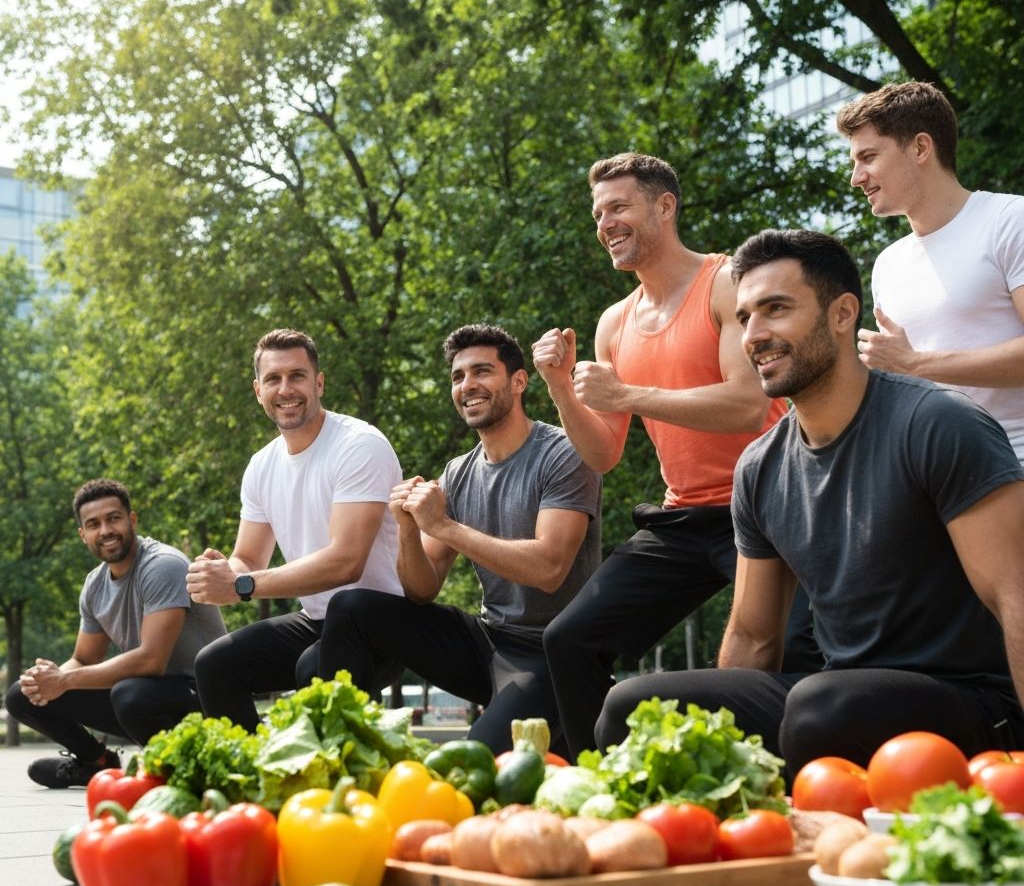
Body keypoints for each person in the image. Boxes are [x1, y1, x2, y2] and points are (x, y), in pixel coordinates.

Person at [595, 229, 1024, 773]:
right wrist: (717, 751)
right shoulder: (760, 467)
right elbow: (753, 637)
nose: (755, 334)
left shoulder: (939, 423)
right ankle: (728, 846)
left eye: (776, 309)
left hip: (972, 703)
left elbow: (1018, 597)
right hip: (838, 696)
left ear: (843, 314)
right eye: (746, 316)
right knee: (632, 710)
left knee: (820, 707)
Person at [531, 152, 817, 760]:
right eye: (598, 212)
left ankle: (780, 789)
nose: (605, 222)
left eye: (618, 207)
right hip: (685, 517)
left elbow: (746, 404)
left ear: (665, 205)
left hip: (770, 503)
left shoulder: (726, 283)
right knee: (570, 640)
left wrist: (628, 393)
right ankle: (606, 783)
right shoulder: (615, 323)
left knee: (780, 659)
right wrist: (559, 386)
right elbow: (604, 453)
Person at [319, 323, 602, 754]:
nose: (467, 385)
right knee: (352, 607)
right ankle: (340, 753)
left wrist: (446, 526)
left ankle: (560, 728)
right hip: (488, 641)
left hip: (549, 651)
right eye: (458, 376)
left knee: (474, 760)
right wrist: (409, 530)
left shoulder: (564, 452)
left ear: (519, 381)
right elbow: (421, 589)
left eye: (482, 372)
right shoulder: (458, 471)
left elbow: (548, 568)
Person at [187, 328, 402, 731]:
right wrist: (223, 571)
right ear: (258, 390)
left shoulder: (359, 444)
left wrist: (243, 586)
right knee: (214, 666)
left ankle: (338, 780)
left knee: (313, 664)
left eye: (297, 376)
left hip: (381, 622)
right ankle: (251, 777)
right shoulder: (262, 465)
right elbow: (248, 557)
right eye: (273, 379)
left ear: (318, 382)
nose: (286, 389)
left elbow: (346, 562)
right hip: (318, 618)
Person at [838, 80, 1024, 462]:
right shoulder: (888, 265)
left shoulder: (1010, 220)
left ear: (921, 147)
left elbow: (911, 365)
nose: (856, 177)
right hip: (930, 483)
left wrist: (914, 363)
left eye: (868, 157)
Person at [4, 479, 226, 788]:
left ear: (131, 520)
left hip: (204, 697)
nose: (105, 530)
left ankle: (181, 771)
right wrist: (47, 680)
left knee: (130, 694)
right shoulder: (95, 586)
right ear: (83, 535)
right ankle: (95, 762)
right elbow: (83, 659)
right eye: (93, 524)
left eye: (113, 518)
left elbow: (152, 661)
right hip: (146, 696)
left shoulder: (162, 565)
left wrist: (65, 681)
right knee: (21, 696)